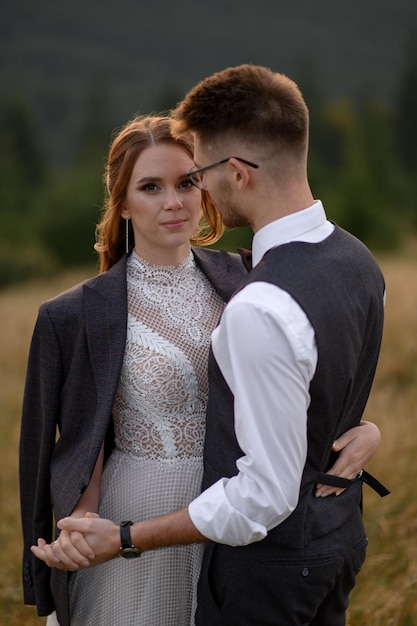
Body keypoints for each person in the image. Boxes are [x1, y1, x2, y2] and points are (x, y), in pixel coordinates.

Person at [26, 87, 386, 626]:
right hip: (136, 512)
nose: (174, 201)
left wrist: (365, 430)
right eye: (151, 187)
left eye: (187, 181)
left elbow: (306, 380)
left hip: (234, 515)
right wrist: (79, 520)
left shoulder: (252, 280)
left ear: (209, 184)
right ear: (121, 201)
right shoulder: (73, 315)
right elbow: (74, 436)